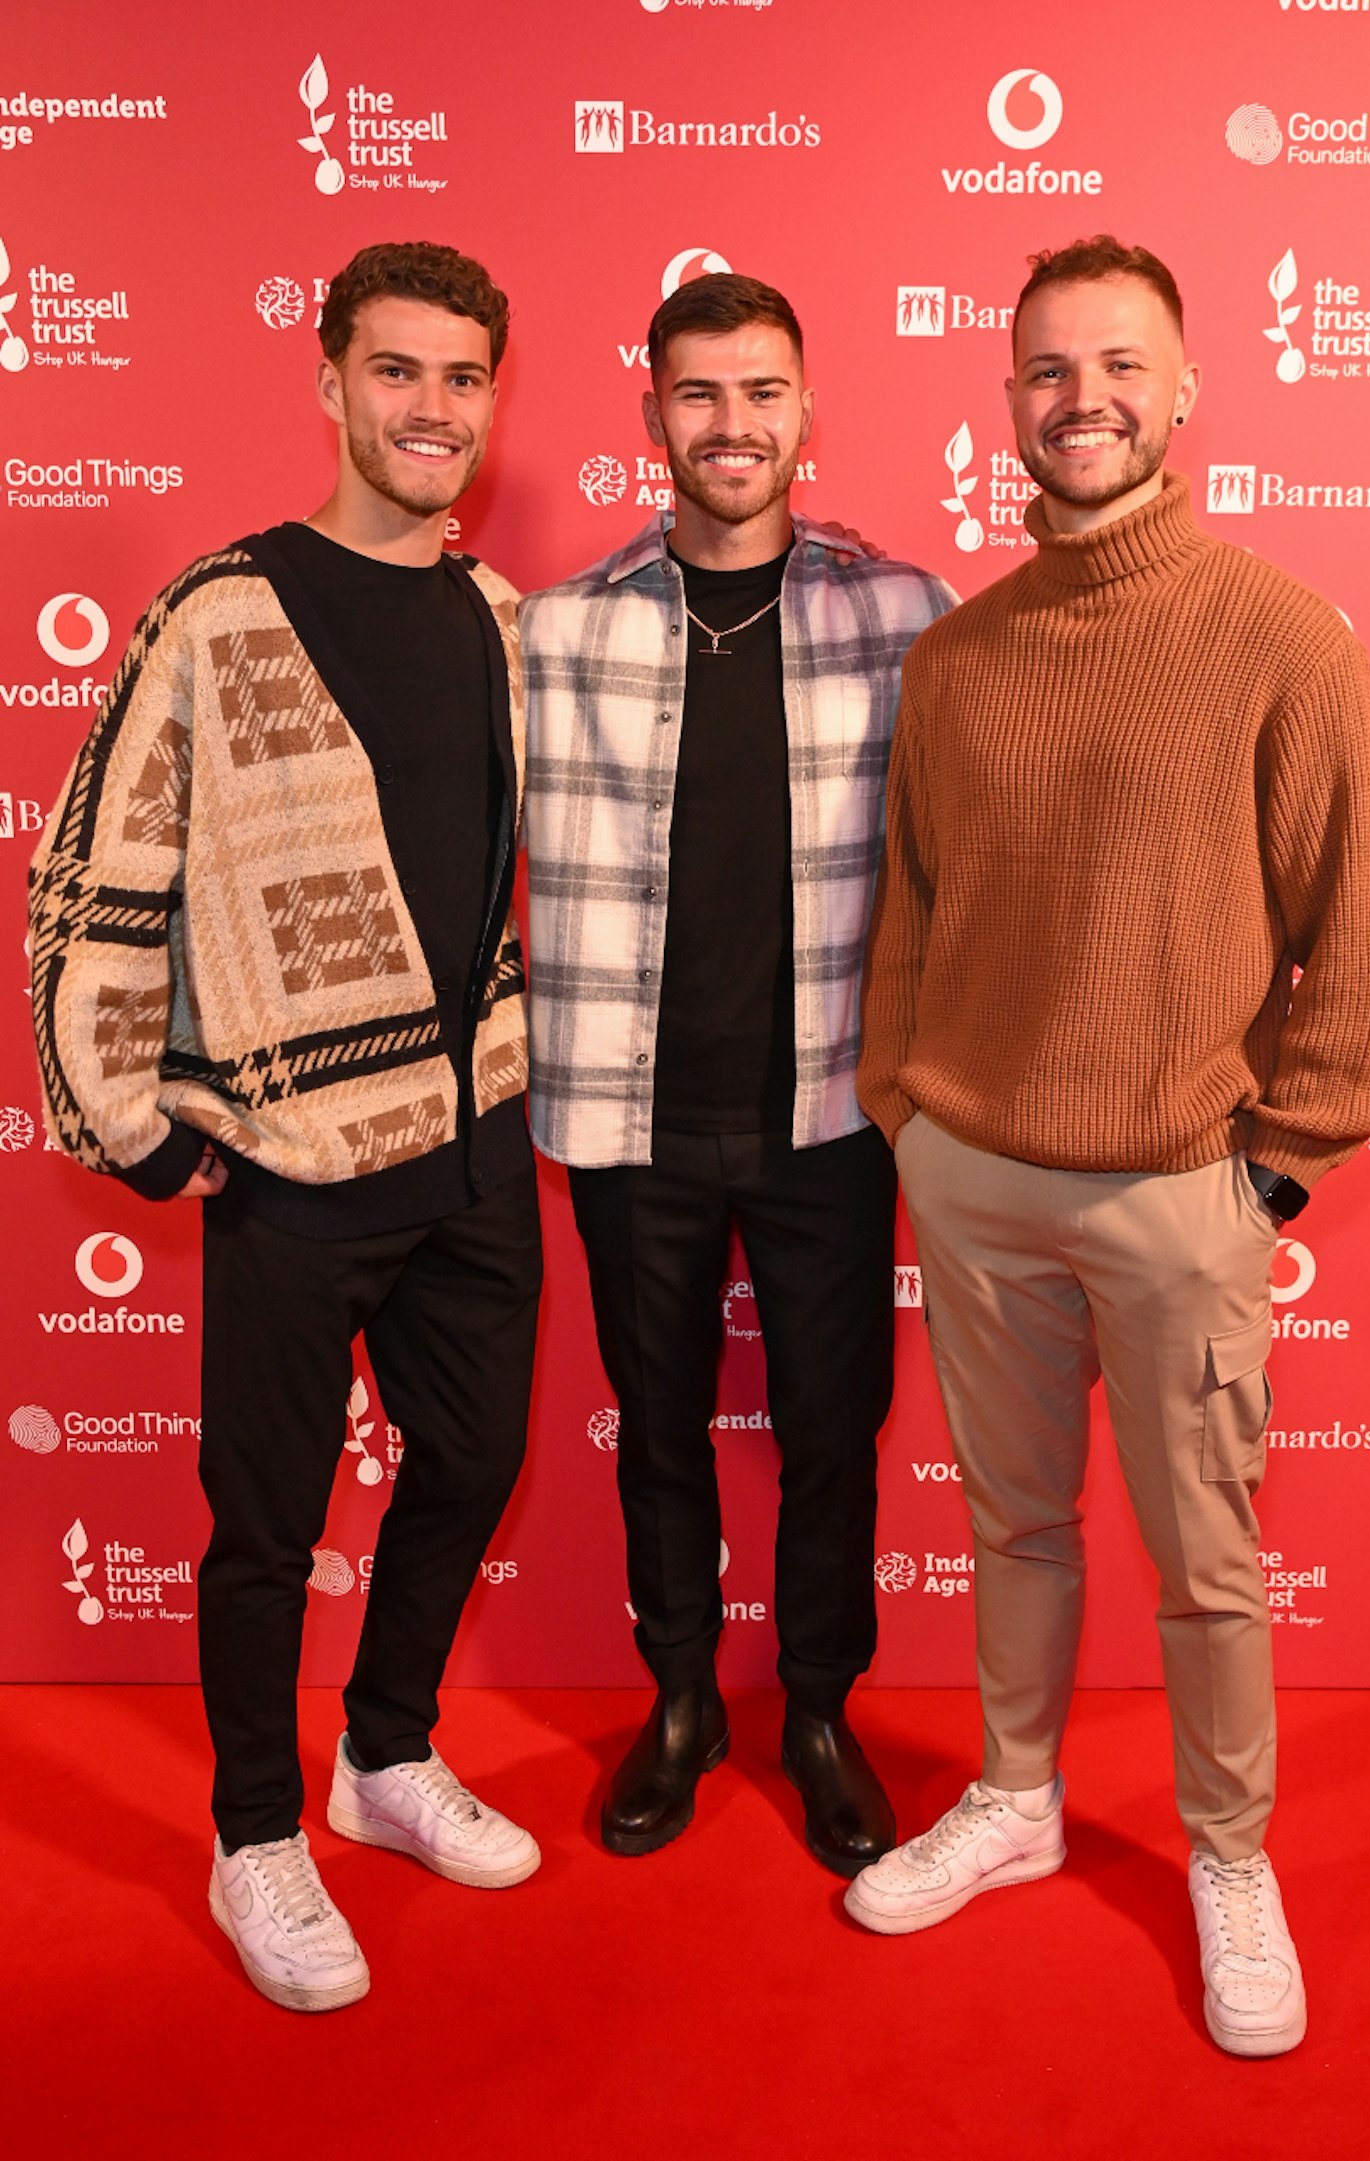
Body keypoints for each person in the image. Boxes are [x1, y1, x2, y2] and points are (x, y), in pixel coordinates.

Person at [850, 236, 1370, 2055]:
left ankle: (1227, 1853)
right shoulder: (959, 653)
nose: (1080, 397)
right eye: (1045, 369)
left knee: (1209, 1558)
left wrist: (1283, 1154)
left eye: (1118, 364)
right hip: (977, 1170)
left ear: (1183, 391)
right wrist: (905, 1107)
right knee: (1015, 1523)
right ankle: (1016, 1795)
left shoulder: (1278, 634)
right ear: (1006, 397)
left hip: (1183, 1188)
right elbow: (915, 908)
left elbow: (1363, 921)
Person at [30, 241, 543, 2013]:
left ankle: (380, 1753)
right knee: (263, 1522)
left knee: (473, 1460)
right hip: (294, 1161)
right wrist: (146, 1137)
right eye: (398, 371)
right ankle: (258, 1835)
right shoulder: (218, 612)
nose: (431, 408)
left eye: (464, 378)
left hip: (474, 1134)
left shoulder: (494, 616)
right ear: (329, 382)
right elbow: (92, 880)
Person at [521, 273, 954, 1875]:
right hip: (626, 1113)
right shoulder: (559, 628)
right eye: (698, 395)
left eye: (761, 393)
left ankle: (821, 1708)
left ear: (805, 411)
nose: (731, 426)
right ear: (652, 416)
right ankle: (686, 1701)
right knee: (657, 1428)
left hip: (835, 1113)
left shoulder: (907, 611)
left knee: (838, 1425)